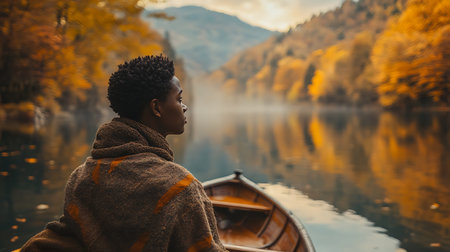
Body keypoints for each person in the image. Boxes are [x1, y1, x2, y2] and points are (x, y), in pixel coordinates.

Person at [21, 55, 227, 252]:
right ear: (156, 107)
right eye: (179, 99)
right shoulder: (181, 187)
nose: (184, 107)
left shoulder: (81, 177)